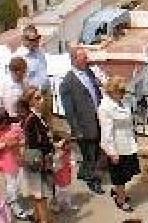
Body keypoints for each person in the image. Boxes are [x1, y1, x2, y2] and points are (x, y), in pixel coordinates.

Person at [59, 46, 103, 193]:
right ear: (74, 60)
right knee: (90, 154)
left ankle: (84, 173)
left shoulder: (89, 72)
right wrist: (76, 130)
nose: (87, 59)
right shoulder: (67, 82)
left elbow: (95, 92)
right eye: (83, 57)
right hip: (84, 125)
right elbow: (69, 111)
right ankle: (93, 181)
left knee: (94, 150)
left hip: (96, 118)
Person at [98, 75, 140, 212]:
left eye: (123, 91)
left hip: (128, 143)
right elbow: (106, 132)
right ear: (111, 91)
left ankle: (118, 192)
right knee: (119, 176)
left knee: (127, 173)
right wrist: (111, 152)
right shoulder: (105, 107)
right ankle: (120, 200)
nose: (123, 94)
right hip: (117, 146)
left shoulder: (123, 102)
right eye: (120, 91)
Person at [19, 88, 54, 223]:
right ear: (30, 102)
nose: (42, 100)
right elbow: (33, 143)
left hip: (38, 159)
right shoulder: (31, 120)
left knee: (37, 192)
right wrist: (50, 147)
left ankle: (36, 217)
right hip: (36, 160)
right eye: (37, 98)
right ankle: (45, 220)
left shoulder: (39, 116)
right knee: (41, 195)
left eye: (41, 97)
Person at [0, 108, 29, 221]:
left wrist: (18, 143)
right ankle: (14, 205)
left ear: (5, 122)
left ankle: (13, 199)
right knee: (12, 184)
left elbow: (24, 140)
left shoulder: (15, 127)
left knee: (19, 182)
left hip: (18, 159)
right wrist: (4, 145)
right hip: (5, 162)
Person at [13, 26, 49, 94]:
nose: (36, 41)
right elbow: (17, 82)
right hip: (31, 96)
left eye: (38, 38)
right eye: (33, 39)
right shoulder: (18, 57)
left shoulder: (40, 52)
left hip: (45, 93)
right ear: (24, 40)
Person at [52, 132, 77, 213]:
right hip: (59, 173)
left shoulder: (70, 152)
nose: (69, 145)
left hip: (66, 172)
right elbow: (55, 162)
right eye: (67, 143)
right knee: (59, 190)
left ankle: (67, 204)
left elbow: (72, 160)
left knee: (66, 189)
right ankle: (59, 205)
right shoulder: (58, 152)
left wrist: (72, 165)